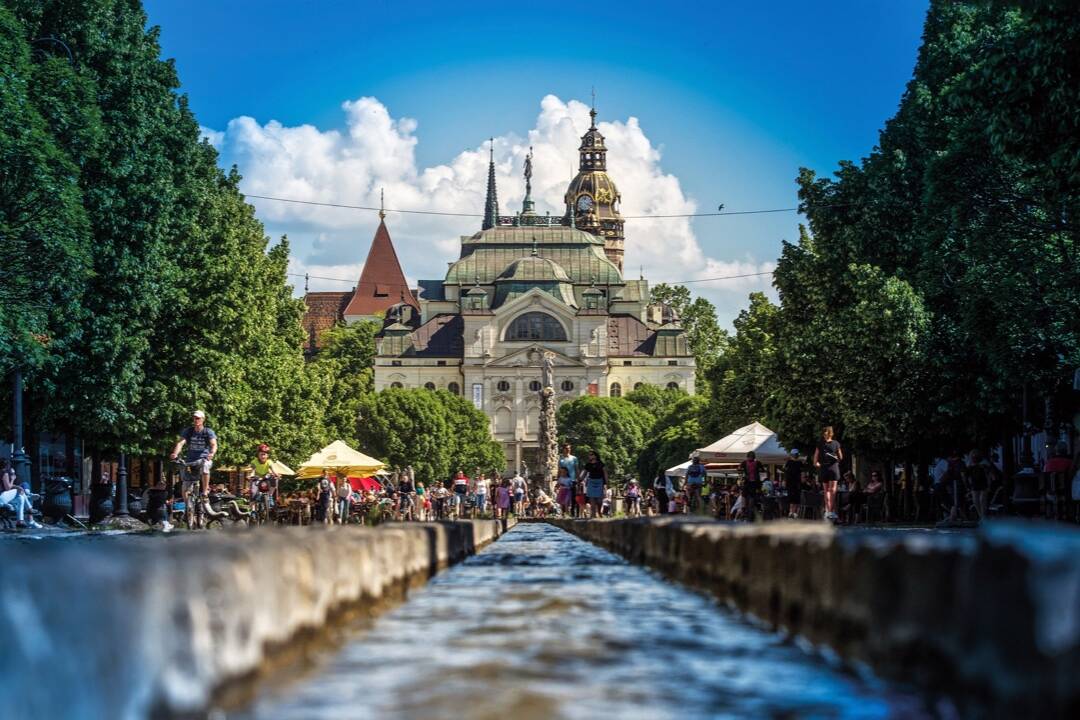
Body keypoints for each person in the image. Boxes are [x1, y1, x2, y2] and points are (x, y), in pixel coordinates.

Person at [169, 410, 218, 498]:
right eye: (194, 418)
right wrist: (175, 453)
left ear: (203, 419)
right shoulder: (189, 431)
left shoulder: (208, 432)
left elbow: (214, 444)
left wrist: (212, 453)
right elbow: (180, 443)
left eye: (198, 418)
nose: (195, 420)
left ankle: (205, 490)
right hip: (190, 461)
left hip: (203, 459)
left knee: (206, 466)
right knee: (184, 488)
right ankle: (188, 508)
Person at [813, 426, 843, 522]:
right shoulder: (836, 443)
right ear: (831, 433)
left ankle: (828, 511)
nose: (825, 434)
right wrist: (835, 457)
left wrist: (818, 464)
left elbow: (815, 460)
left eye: (825, 433)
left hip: (825, 468)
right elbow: (840, 458)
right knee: (831, 490)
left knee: (827, 491)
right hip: (833, 467)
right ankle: (830, 511)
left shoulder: (820, 444)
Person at [0, 459, 41, 529]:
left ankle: (20, 520)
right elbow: (7, 488)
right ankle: (29, 507)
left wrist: (17, 487)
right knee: (20, 491)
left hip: (3, 497)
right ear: (7, 465)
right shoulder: (4, 473)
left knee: (20, 498)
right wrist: (12, 479)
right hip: (2, 497)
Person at [738, 451, 763, 522]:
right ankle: (758, 506)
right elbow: (762, 470)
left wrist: (741, 471)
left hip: (748, 482)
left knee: (743, 495)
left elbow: (739, 469)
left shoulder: (744, 462)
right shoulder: (758, 462)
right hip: (756, 483)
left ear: (747, 456)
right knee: (757, 494)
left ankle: (743, 508)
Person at [582, 451, 608, 518]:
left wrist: (606, 482)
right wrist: (580, 479)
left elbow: (605, 473)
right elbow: (584, 474)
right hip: (591, 482)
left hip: (599, 482)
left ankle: (599, 511)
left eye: (591, 454)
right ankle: (593, 515)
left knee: (599, 500)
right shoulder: (588, 465)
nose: (590, 456)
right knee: (592, 500)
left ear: (595, 456)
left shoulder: (600, 464)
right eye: (589, 455)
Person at [784, 450, 803, 519]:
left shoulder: (788, 463)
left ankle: (791, 512)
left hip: (791, 483)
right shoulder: (799, 463)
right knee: (796, 499)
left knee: (792, 498)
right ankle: (794, 513)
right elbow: (802, 474)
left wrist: (785, 482)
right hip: (796, 483)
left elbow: (785, 473)